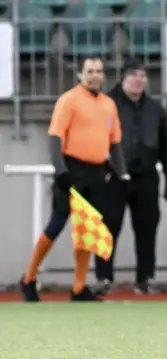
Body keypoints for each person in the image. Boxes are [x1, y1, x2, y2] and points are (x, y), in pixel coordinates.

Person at [18, 55, 130, 303]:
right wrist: (61, 172)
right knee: (56, 225)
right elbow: (55, 140)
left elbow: (116, 143)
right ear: (80, 74)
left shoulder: (109, 105)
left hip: (98, 172)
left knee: (86, 229)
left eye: (99, 71)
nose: (94, 75)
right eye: (90, 71)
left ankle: (79, 287)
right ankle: (28, 278)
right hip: (72, 169)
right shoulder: (68, 101)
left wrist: (122, 174)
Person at [93, 59, 167, 296]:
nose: (139, 79)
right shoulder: (105, 104)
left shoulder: (155, 109)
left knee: (147, 229)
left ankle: (145, 279)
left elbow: (166, 145)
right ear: (123, 77)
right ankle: (103, 278)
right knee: (107, 228)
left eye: (143, 75)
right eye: (134, 74)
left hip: (146, 177)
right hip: (113, 177)